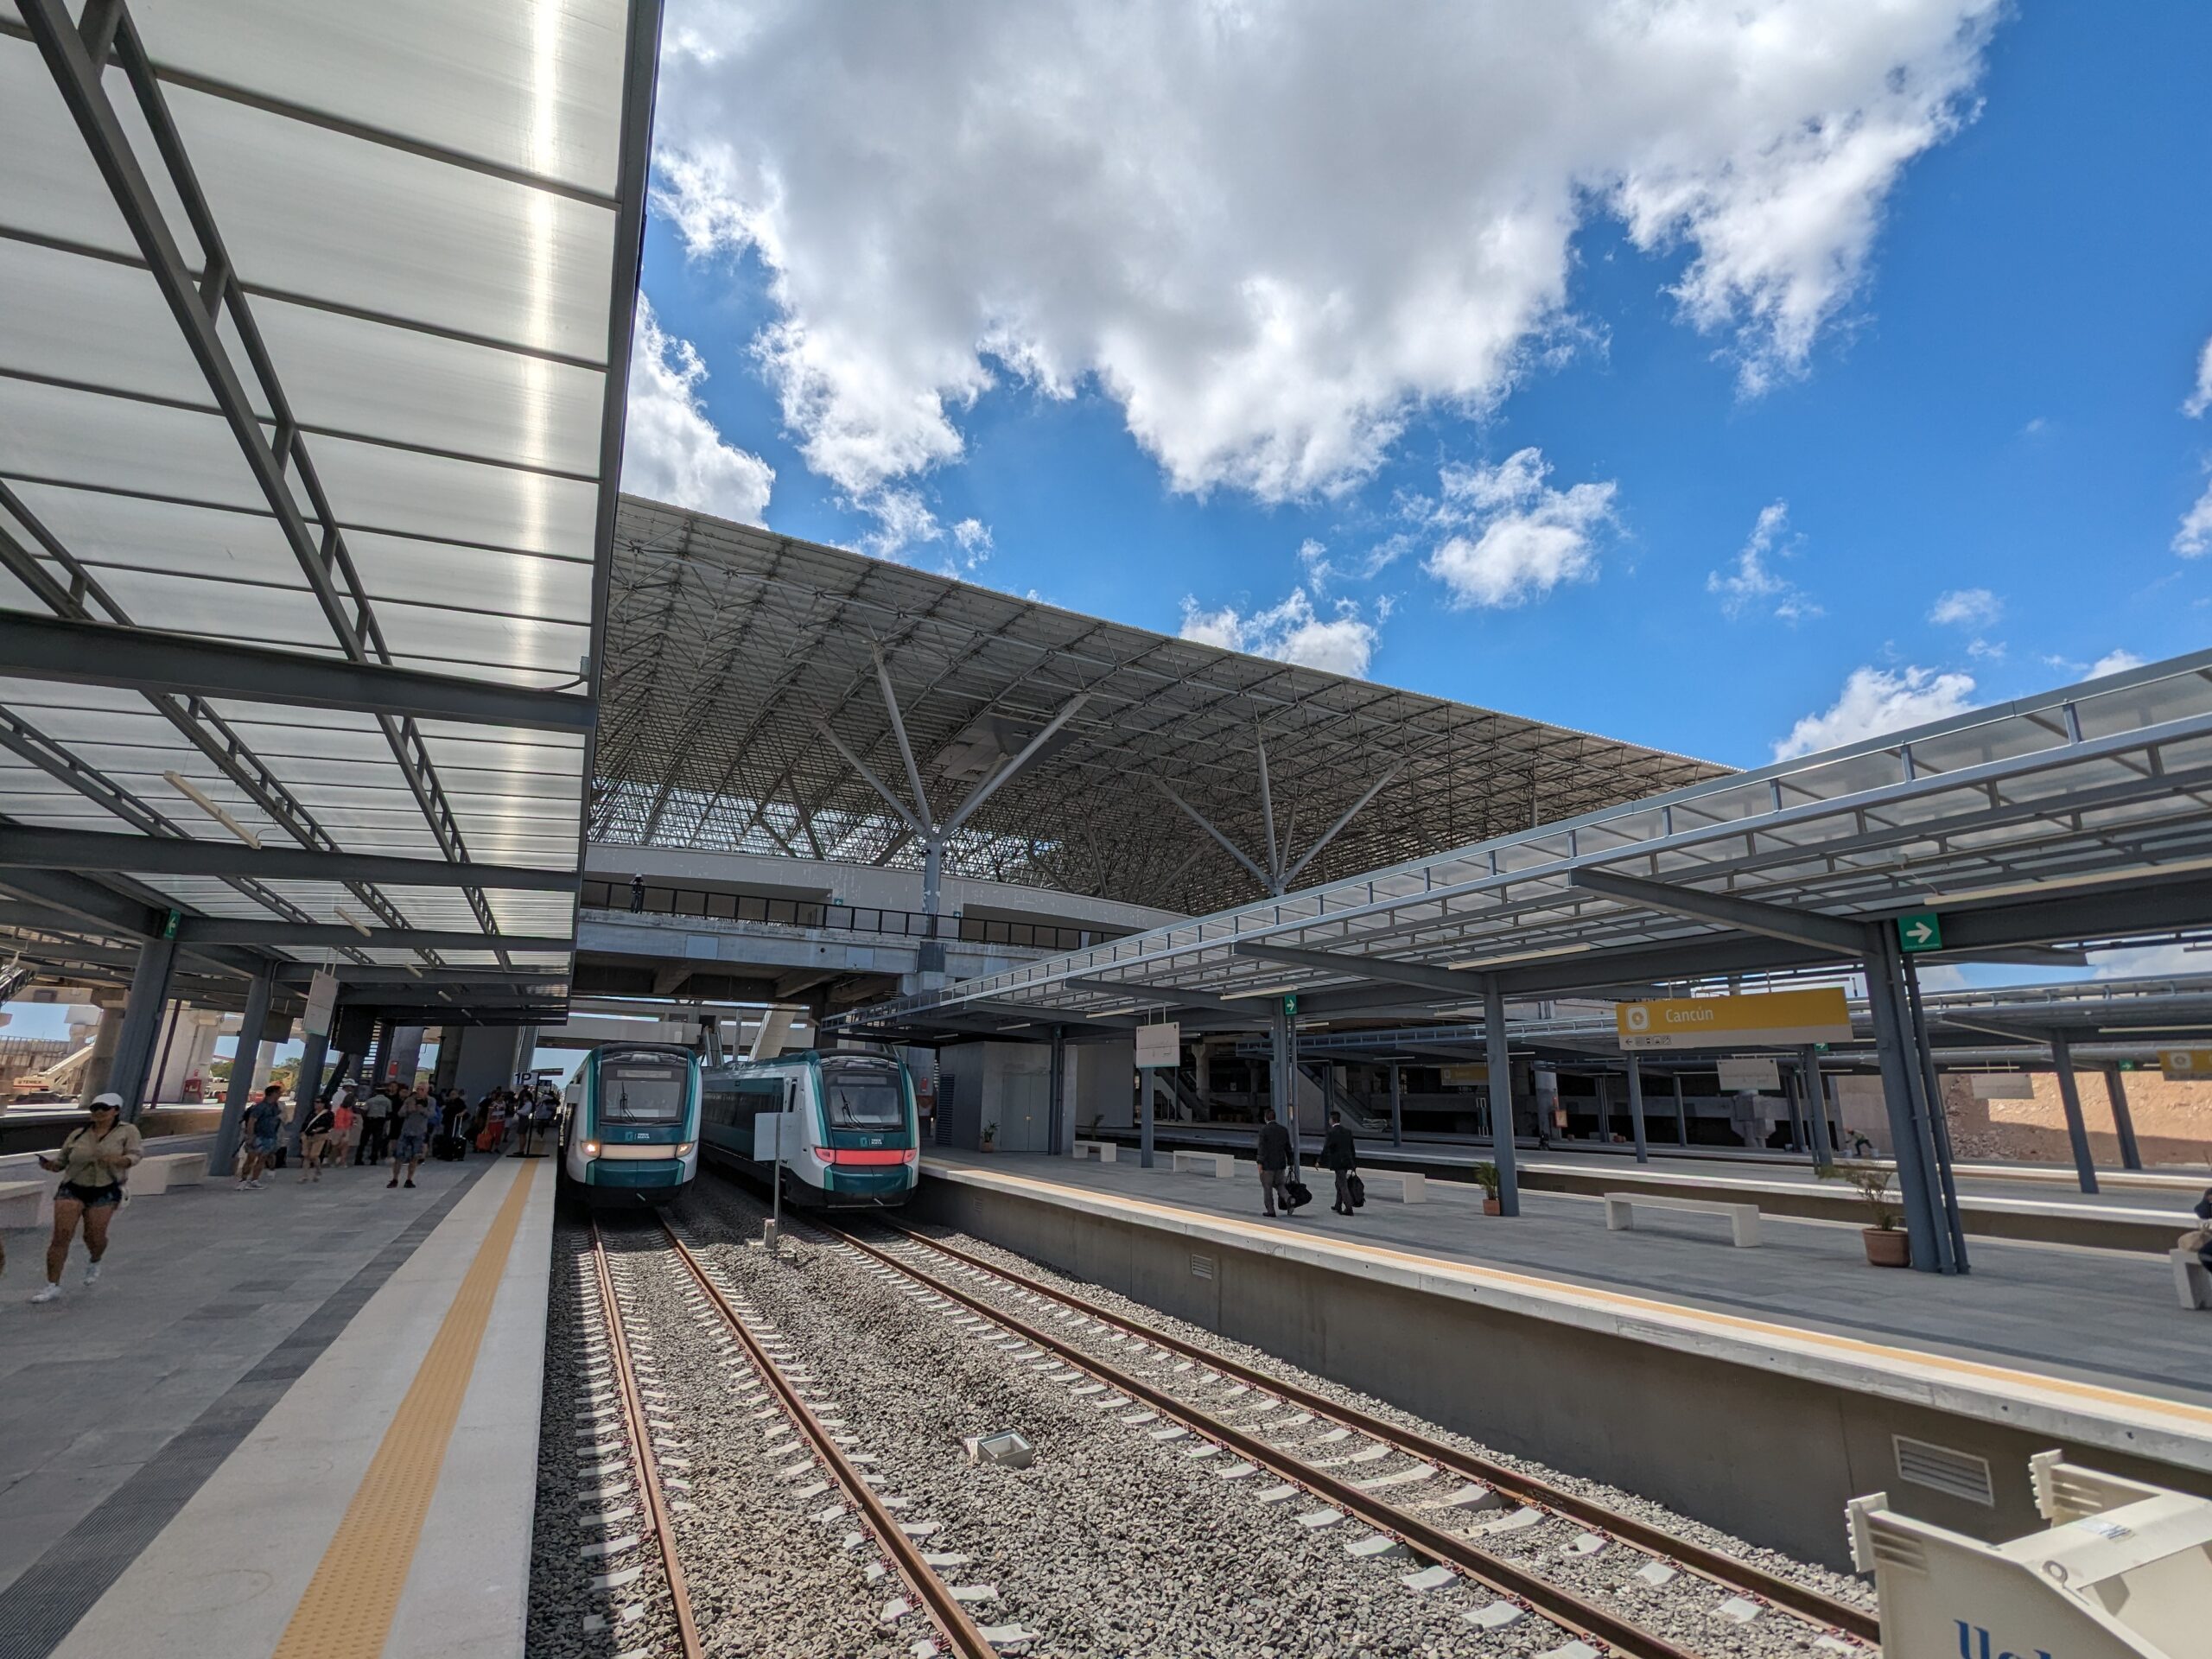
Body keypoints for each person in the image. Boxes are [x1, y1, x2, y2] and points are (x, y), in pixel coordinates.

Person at [31, 1092, 142, 1302]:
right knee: (61, 1235)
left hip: (105, 1188)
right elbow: (62, 1161)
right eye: (94, 1108)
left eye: (104, 1108)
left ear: (115, 1111)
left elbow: (136, 1154)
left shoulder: (127, 1131)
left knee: (93, 1236)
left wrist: (122, 1160)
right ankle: (52, 1284)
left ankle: (95, 1258)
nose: (98, 1112)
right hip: (73, 1186)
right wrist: (50, 1165)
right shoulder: (78, 1134)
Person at [237, 1084, 285, 1190]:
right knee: (251, 1158)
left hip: (270, 1135)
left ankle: (254, 1179)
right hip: (258, 1135)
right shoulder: (260, 1107)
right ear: (272, 1094)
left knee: (262, 1159)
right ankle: (243, 1180)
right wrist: (250, 1136)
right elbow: (251, 1121)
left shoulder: (276, 1106)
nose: (280, 1095)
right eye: (278, 1093)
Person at [1255, 1106, 1295, 1218]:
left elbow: (1261, 1148)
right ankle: (1288, 1198)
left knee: (1267, 1187)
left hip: (1268, 1165)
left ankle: (1271, 1210)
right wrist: (1291, 1161)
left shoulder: (1264, 1131)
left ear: (1266, 1118)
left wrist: (1259, 1162)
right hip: (1281, 1164)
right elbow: (1288, 1148)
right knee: (1280, 1184)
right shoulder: (1283, 1130)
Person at [389, 1090, 432, 1189]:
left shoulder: (429, 1102)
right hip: (406, 1132)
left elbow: (431, 1115)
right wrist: (409, 1110)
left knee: (415, 1157)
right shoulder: (408, 1101)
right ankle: (395, 1179)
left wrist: (422, 1109)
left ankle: (409, 1179)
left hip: (419, 1133)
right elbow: (400, 1113)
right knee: (399, 1156)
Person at [1320, 1109, 1359, 1216]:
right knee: (1338, 1183)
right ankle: (1338, 1205)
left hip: (1338, 1162)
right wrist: (1354, 1163)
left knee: (1342, 1184)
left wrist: (1319, 1161)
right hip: (1347, 1161)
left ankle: (1349, 1208)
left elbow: (1326, 1148)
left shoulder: (1331, 1133)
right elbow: (1352, 1149)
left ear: (1332, 1120)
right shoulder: (1347, 1132)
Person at [298, 1095, 336, 1181]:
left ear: (324, 1104)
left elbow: (329, 1125)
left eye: (319, 1102)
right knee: (306, 1155)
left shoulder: (329, 1114)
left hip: (320, 1136)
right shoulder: (312, 1113)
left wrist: (319, 1129)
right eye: (315, 1102)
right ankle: (304, 1175)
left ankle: (318, 1170)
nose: (316, 1104)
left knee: (314, 1155)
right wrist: (302, 1132)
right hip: (308, 1135)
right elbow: (306, 1123)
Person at [358, 1084, 394, 1166]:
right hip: (380, 1121)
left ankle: (358, 1158)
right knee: (377, 1140)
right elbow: (389, 1111)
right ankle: (373, 1159)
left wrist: (365, 1120)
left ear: (376, 1092)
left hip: (369, 1121)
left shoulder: (370, 1100)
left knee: (364, 1140)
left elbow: (364, 1110)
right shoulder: (387, 1101)